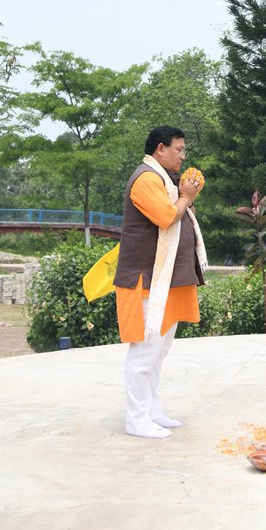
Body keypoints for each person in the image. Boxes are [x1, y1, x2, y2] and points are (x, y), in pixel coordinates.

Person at [113, 125, 207, 438]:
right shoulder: (145, 179)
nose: (183, 155)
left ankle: (151, 410)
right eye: (178, 149)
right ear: (160, 149)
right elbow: (167, 217)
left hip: (165, 280)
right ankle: (136, 419)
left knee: (159, 350)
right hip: (144, 280)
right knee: (145, 351)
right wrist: (185, 196)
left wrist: (185, 196)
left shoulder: (162, 179)